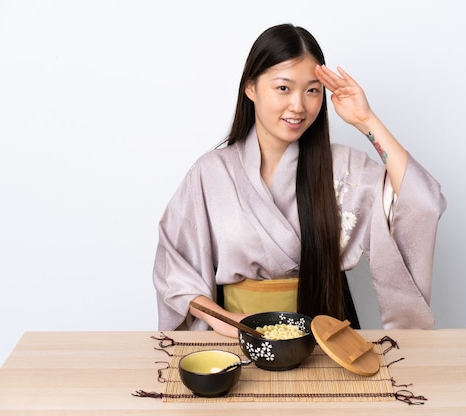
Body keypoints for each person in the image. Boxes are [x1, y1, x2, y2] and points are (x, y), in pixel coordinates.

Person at [153, 23, 446, 337]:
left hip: (325, 336)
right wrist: (221, 318)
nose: (298, 105)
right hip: (237, 336)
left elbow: (421, 202)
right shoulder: (210, 172)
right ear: (250, 88)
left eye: (312, 90)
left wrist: (366, 120)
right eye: (283, 88)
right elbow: (175, 266)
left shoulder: (340, 167)